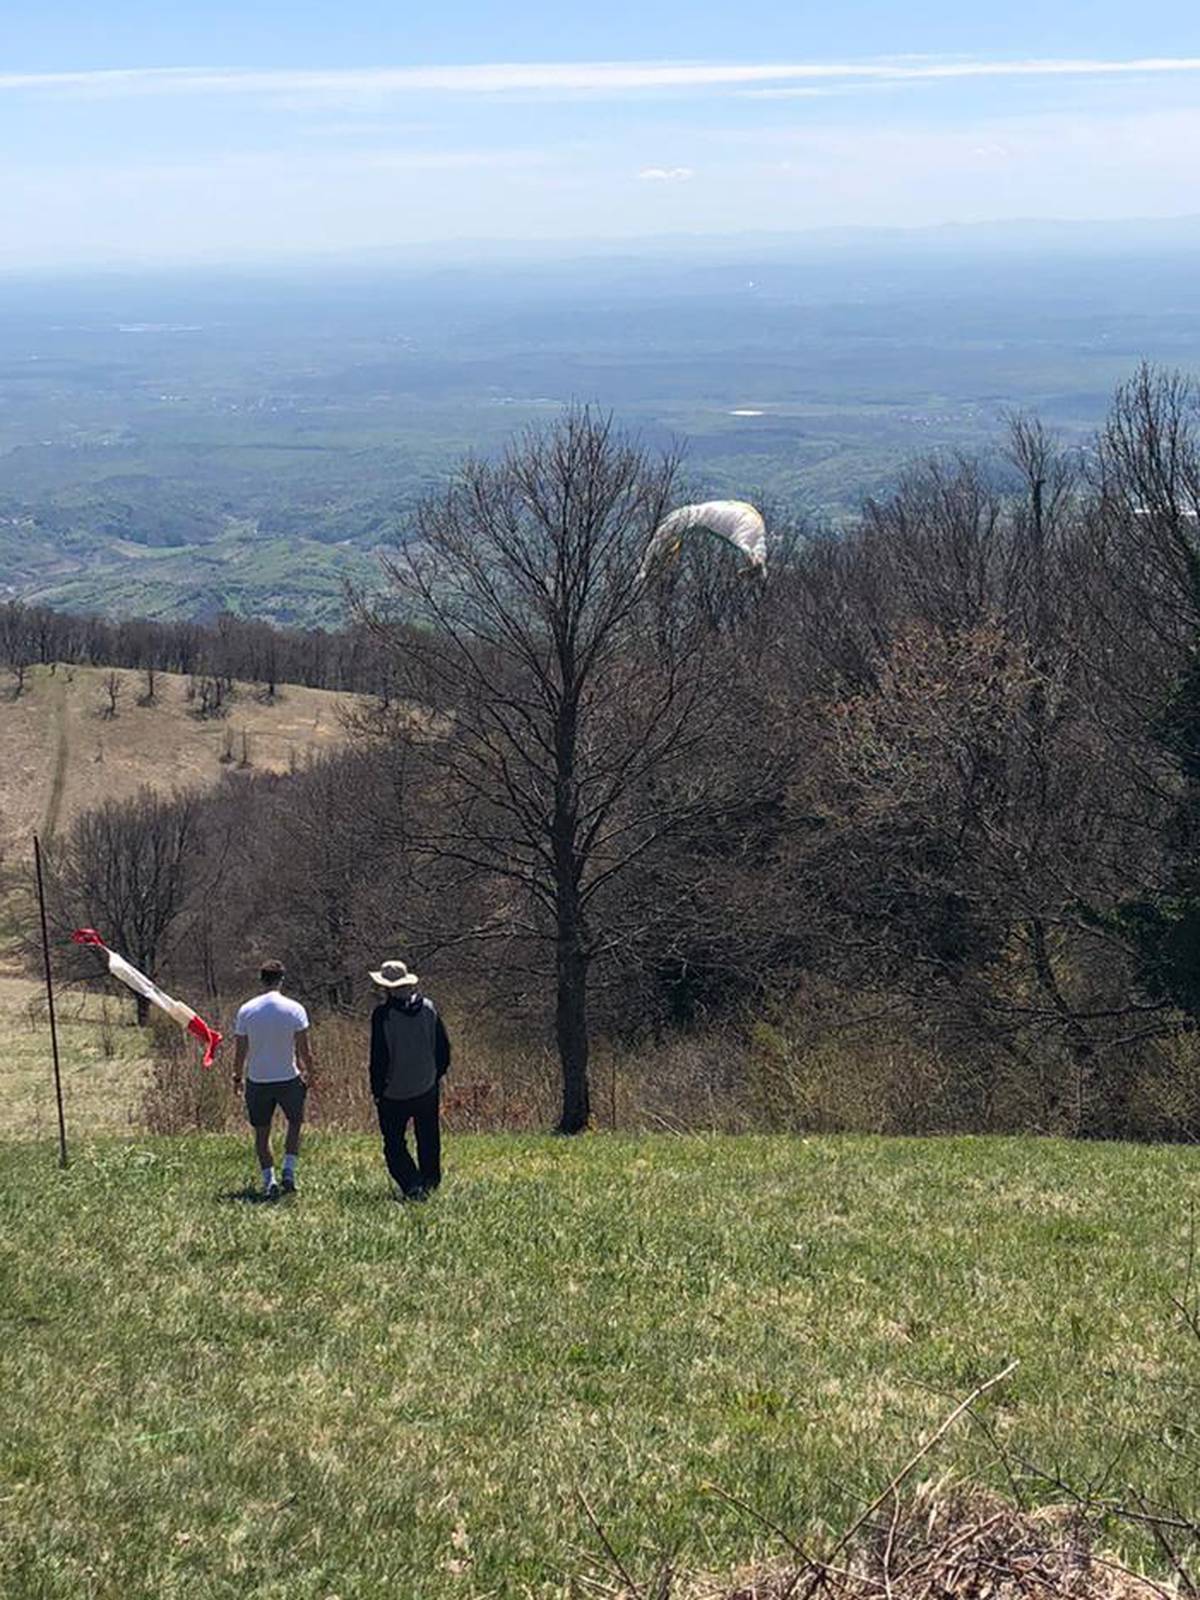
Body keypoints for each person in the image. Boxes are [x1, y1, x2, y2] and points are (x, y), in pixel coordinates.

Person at [369, 959, 450, 1200]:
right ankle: (430, 1180)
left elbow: (379, 1057)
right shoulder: (429, 1008)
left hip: (394, 1091)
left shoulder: (383, 1015)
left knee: (393, 1143)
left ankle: (412, 1184)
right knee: (428, 1136)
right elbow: (443, 1049)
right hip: (426, 1086)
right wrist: (434, 1076)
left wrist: (377, 1089)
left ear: (387, 987)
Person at [232, 960, 312, 1199]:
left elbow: (240, 1051)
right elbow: (305, 1050)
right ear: (282, 979)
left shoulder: (246, 1010)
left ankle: (270, 1181)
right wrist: (312, 1072)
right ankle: (289, 1169)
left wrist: (237, 1077)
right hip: (289, 1077)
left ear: (261, 979)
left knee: (261, 1132)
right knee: (295, 1123)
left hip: (258, 1080)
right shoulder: (295, 1009)